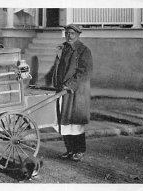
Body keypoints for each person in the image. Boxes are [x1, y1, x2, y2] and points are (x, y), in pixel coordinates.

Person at [45, 24, 93, 161]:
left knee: (75, 122)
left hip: (76, 92)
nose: (69, 36)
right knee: (64, 121)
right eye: (67, 33)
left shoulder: (84, 51)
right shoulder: (63, 49)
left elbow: (85, 72)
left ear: (78, 35)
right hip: (63, 90)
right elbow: (56, 68)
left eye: (72, 33)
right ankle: (70, 150)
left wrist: (69, 85)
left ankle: (79, 150)